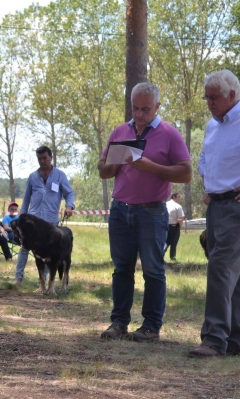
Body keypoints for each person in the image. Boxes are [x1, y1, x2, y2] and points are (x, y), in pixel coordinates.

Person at [97, 82, 191, 342]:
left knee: (152, 269)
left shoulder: (170, 135)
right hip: (120, 211)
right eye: (135, 108)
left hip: (151, 212)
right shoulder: (119, 131)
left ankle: (151, 326)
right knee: (121, 269)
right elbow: (104, 171)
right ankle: (118, 323)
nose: (138, 114)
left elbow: (186, 173)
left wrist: (150, 166)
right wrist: (109, 163)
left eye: (145, 109)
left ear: (158, 107)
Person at [190, 70, 240, 357]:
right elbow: (205, 157)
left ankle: (213, 339)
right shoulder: (212, 125)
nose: (209, 102)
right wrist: (208, 180)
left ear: (233, 94)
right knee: (234, 274)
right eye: (206, 97)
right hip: (216, 205)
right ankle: (234, 340)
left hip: (236, 204)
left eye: (214, 97)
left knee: (220, 268)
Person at [14, 146, 75, 285]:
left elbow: (69, 193)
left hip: (50, 222)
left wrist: (69, 206)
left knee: (49, 252)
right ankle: (18, 278)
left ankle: (42, 281)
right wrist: (22, 217)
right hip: (32, 222)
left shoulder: (60, 175)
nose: (42, 161)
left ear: (51, 157)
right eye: (39, 159)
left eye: (45, 158)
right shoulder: (33, 177)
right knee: (24, 249)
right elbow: (26, 197)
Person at [164, 192, 185, 262]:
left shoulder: (165, 204)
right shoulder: (178, 206)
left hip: (165, 226)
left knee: (165, 242)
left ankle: (160, 255)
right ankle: (172, 257)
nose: (180, 198)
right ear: (174, 197)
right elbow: (181, 218)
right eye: (179, 196)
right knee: (173, 243)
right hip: (174, 226)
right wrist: (180, 227)